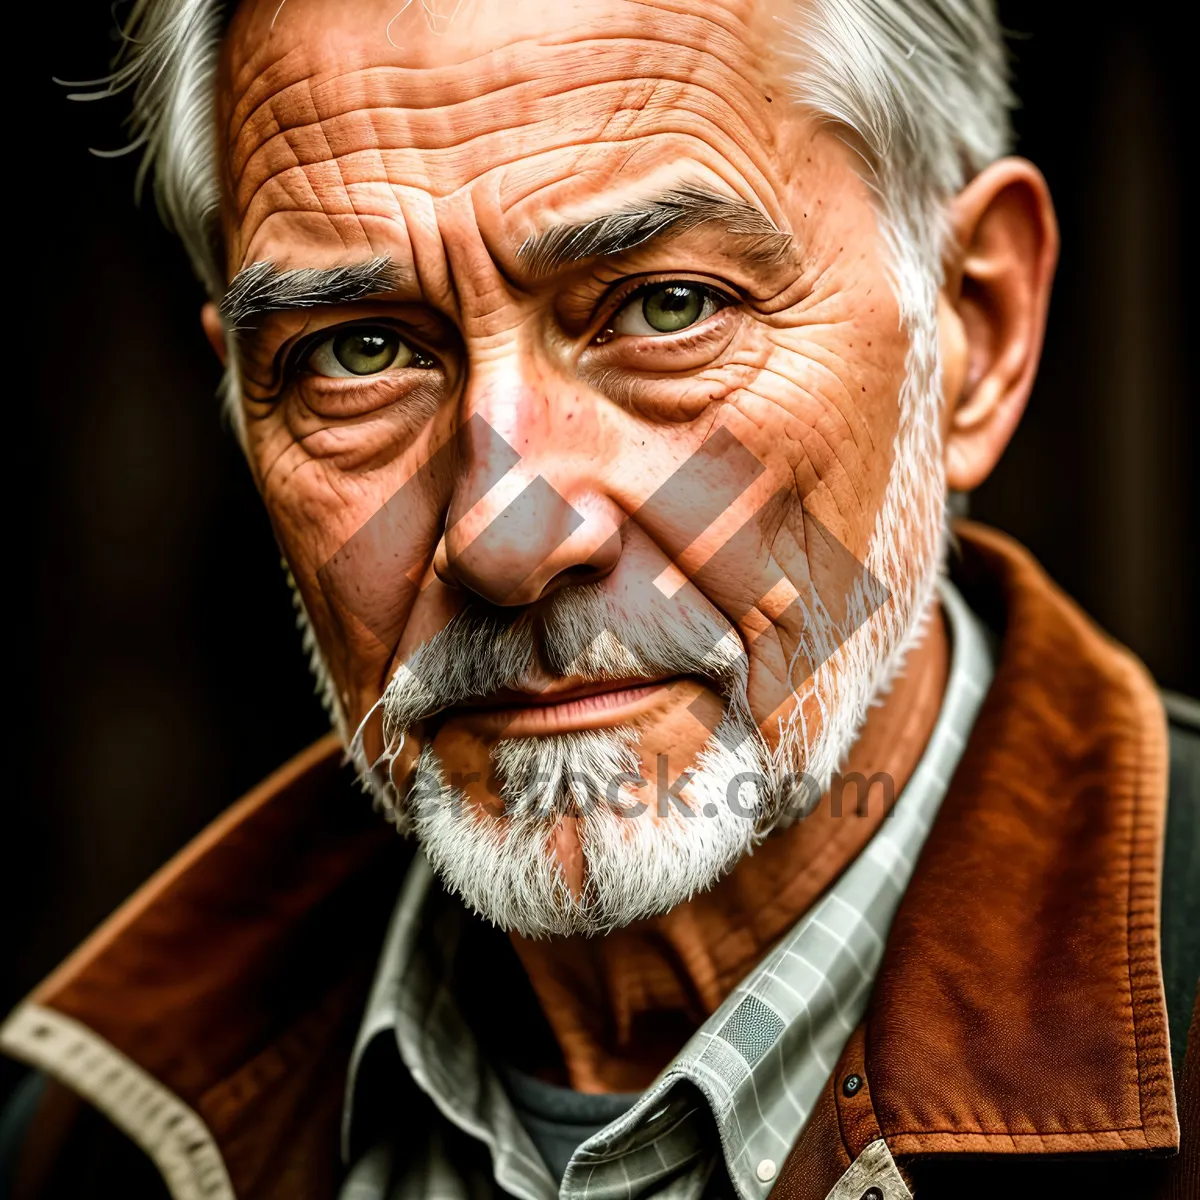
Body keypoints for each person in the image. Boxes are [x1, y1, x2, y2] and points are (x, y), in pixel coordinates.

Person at [2, 1, 1197, 1197]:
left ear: (971, 331)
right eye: (361, 350)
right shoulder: (99, 1139)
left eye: (664, 307)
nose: (505, 541)